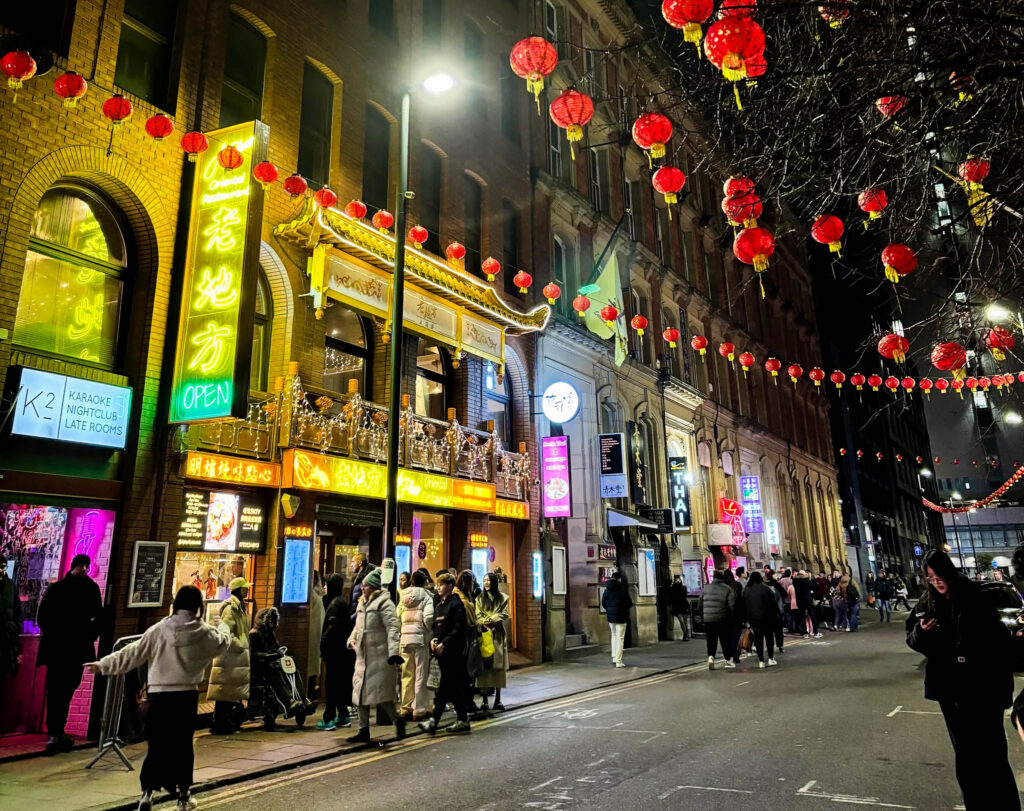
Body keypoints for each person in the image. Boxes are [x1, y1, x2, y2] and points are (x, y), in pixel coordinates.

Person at [86, 585, 230, 811]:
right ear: (198, 606)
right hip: (186, 697)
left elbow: (133, 652)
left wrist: (103, 665)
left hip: (158, 697)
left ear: (175, 604)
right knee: (182, 747)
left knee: (157, 746)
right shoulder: (204, 632)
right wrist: (222, 625)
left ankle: (147, 795)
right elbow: (223, 642)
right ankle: (183, 797)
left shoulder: (159, 630)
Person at [906, 550, 1019, 810]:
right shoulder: (928, 602)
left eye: (939, 575)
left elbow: (1000, 645)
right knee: (966, 760)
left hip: (981, 692)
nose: (936, 581)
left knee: (992, 757)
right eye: (930, 577)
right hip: (950, 692)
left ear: (949, 572)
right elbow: (912, 640)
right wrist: (921, 633)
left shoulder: (973, 598)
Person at [36, 553, 102, 754]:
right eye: (81, 565)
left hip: (73, 649)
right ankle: (55, 732)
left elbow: (98, 618)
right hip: (62, 649)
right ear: (73, 566)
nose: (84, 569)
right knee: (58, 690)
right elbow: (43, 618)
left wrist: (89, 634)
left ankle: (58, 731)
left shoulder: (90, 589)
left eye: (86, 566)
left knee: (67, 688)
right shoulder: (58, 589)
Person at [347, 568, 404, 743]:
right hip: (363, 657)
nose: (362, 588)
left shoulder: (385, 604)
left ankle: (397, 720)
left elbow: (393, 628)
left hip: (379, 658)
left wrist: (394, 652)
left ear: (374, 587)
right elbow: (358, 627)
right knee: (360, 694)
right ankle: (363, 730)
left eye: (366, 586)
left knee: (382, 697)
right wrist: (351, 639)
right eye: (362, 585)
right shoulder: (362, 604)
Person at [420, 572, 471, 735]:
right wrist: (433, 640)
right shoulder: (439, 606)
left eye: (441, 585)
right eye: (438, 584)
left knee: (445, 687)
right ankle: (463, 720)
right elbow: (436, 627)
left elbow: (459, 628)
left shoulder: (456, 604)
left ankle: (434, 722)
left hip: (453, 653)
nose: (438, 587)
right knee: (452, 688)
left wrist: (445, 642)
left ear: (449, 586)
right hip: (441, 653)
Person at [208, 577, 251, 734]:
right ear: (239, 590)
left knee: (227, 692)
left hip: (234, 658)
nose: (247, 590)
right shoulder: (231, 608)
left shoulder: (238, 607)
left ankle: (223, 722)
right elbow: (225, 631)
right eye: (245, 588)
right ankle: (220, 723)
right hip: (230, 657)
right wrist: (239, 644)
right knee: (224, 692)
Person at [317, 573, 354, 730]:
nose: (324, 587)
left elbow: (332, 629)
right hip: (342, 651)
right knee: (339, 684)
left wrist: (323, 643)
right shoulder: (340, 602)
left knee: (331, 684)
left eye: (327, 584)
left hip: (335, 651)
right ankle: (343, 716)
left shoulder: (335, 605)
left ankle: (328, 718)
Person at [398, 569, 435, 720]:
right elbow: (429, 617)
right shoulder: (427, 596)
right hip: (420, 640)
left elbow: (398, 614)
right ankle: (418, 708)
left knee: (407, 673)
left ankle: (405, 707)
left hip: (405, 639)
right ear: (424, 582)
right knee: (420, 673)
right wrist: (427, 630)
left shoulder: (403, 595)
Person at [475, 572, 510, 712]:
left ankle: (498, 699)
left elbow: (505, 613)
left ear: (494, 582)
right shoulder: (479, 598)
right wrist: (485, 622)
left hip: (497, 635)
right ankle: (484, 699)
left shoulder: (503, 598)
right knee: (484, 668)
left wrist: (493, 619)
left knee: (498, 668)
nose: (486, 583)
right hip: (484, 634)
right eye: (484, 580)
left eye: (488, 580)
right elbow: (477, 615)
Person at [699, 569, 736, 670]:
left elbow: (700, 604)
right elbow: (732, 606)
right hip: (722, 619)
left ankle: (711, 657)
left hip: (708, 619)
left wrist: (703, 615)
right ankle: (728, 660)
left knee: (711, 640)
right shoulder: (727, 589)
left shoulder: (706, 588)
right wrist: (732, 618)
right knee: (725, 640)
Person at [743, 572, 779, 668]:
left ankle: (761, 661)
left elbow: (743, 606)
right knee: (769, 638)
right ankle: (771, 658)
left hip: (753, 619)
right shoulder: (766, 589)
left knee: (758, 639)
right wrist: (777, 615)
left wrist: (746, 619)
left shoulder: (746, 590)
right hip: (767, 617)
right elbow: (773, 604)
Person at [601, 571, 632, 668]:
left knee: (614, 636)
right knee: (620, 638)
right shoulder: (623, 590)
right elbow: (629, 603)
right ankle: (619, 661)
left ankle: (614, 657)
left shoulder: (607, 590)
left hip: (611, 617)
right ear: (619, 579)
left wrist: (609, 609)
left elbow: (603, 603)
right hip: (622, 617)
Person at [0, 553, 20, 697]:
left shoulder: (10, 585)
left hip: (5, 641)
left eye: (4, 567)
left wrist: (15, 626)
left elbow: (18, 610)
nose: (2, 571)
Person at [307, 570, 325, 699]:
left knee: (311, 661)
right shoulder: (317, 596)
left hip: (312, 633)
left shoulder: (312, 595)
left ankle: (310, 690)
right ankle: (312, 687)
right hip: (316, 632)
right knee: (314, 661)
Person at [725, 568, 745, 665]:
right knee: (736, 636)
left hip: (726, 616)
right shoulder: (738, 585)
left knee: (727, 636)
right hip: (737, 615)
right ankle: (736, 655)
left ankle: (728, 655)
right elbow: (741, 601)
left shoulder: (724, 587)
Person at [793, 570, 821, 638]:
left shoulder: (795, 581)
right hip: (808, 600)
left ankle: (805, 633)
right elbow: (815, 587)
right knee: (812, 615)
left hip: (799, 600)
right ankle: (816, 632)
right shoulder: (806, 580)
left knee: (802, 617)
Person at [764, 569, 786, 653]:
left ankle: (770, 647)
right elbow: (784, 593)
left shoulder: (763, 586)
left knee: (768, 631)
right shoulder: (775, 584)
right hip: (776, 611)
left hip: (766, 612)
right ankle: (780, 645)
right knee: (778, 630)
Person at [348, 553, 373, 621]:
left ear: (360, 562)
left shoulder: (366, 578)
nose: (351, 565)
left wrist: (351, 618)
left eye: (353, 561)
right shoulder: (358, 578)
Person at [669, 575, 691, 641]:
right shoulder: (684, 587)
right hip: (684, 605)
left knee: (682, 621)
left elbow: (672, 597)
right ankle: (686, 635)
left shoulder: (672, 587)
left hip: (677, 605)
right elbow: (685, 595)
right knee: (685, 621)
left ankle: (686, 635)